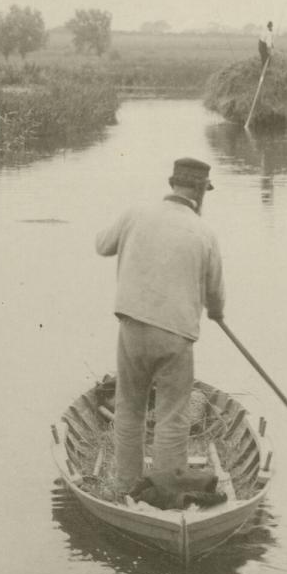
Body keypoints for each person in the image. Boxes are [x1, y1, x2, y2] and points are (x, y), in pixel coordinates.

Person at [95, 157, 225, 495]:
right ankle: (165, 494)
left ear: (173, 185)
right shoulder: (204, 232)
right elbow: (214, 292)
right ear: (199, 191)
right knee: (172, 416)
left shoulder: (135, 213)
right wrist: (217, 312)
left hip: (132, 328)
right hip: (176, 338)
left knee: (129, 409)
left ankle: (127, 487)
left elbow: (101, 245)